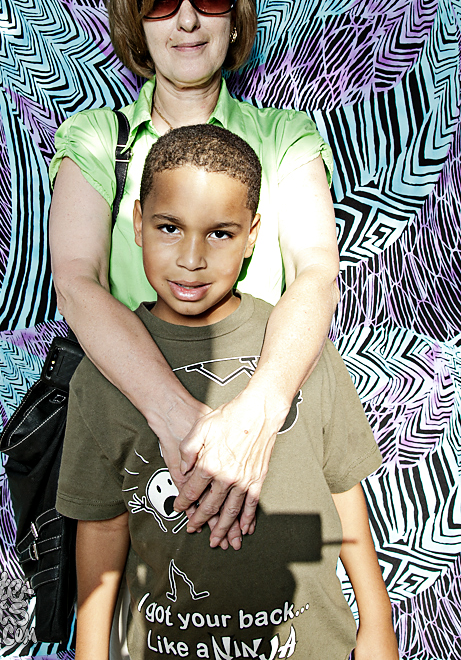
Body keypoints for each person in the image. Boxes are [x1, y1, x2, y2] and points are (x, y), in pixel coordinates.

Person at [49, 0, 340, 546]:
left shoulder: (284, 137)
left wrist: (256, 418)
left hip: (266, 432)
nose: (186, 19)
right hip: (133, 440)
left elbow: (318, 270)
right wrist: (179, 417)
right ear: (138, 22)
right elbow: (74, 281)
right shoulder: (97, 139)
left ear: (234, 18)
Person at [56, 125, 399, 660]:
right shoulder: (105, 371)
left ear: (253, 235)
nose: (192, 258)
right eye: (170, 227)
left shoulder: (299, 347)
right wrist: (90, 651)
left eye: (219, 233)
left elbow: (342, 488)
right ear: (138, 224)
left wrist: (378, 620)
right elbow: (101, 524)